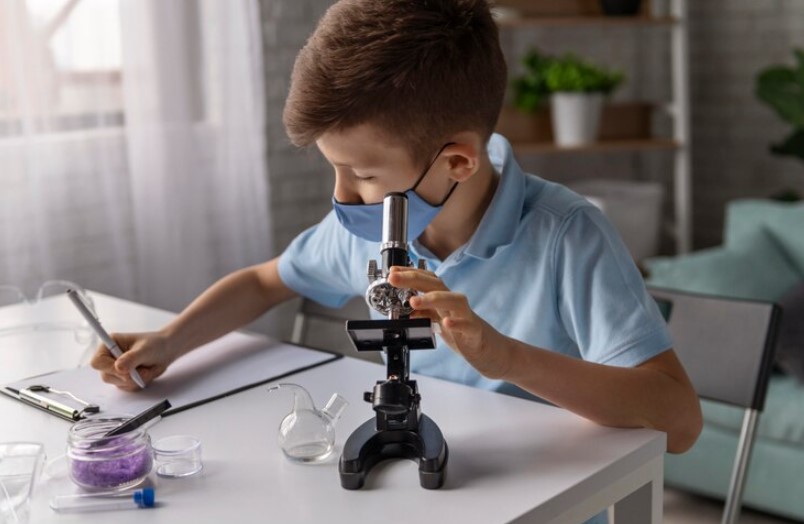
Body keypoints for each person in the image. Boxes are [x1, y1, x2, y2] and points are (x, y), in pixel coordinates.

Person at [93, 0, 701, 484]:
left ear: (457, 161)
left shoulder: (568, 235)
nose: (343, 196)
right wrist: (169, 341)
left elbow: (679, 421)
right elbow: (263, 281)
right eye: (334, 169)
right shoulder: (367, 229)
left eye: (362, 175)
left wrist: (502, 355)